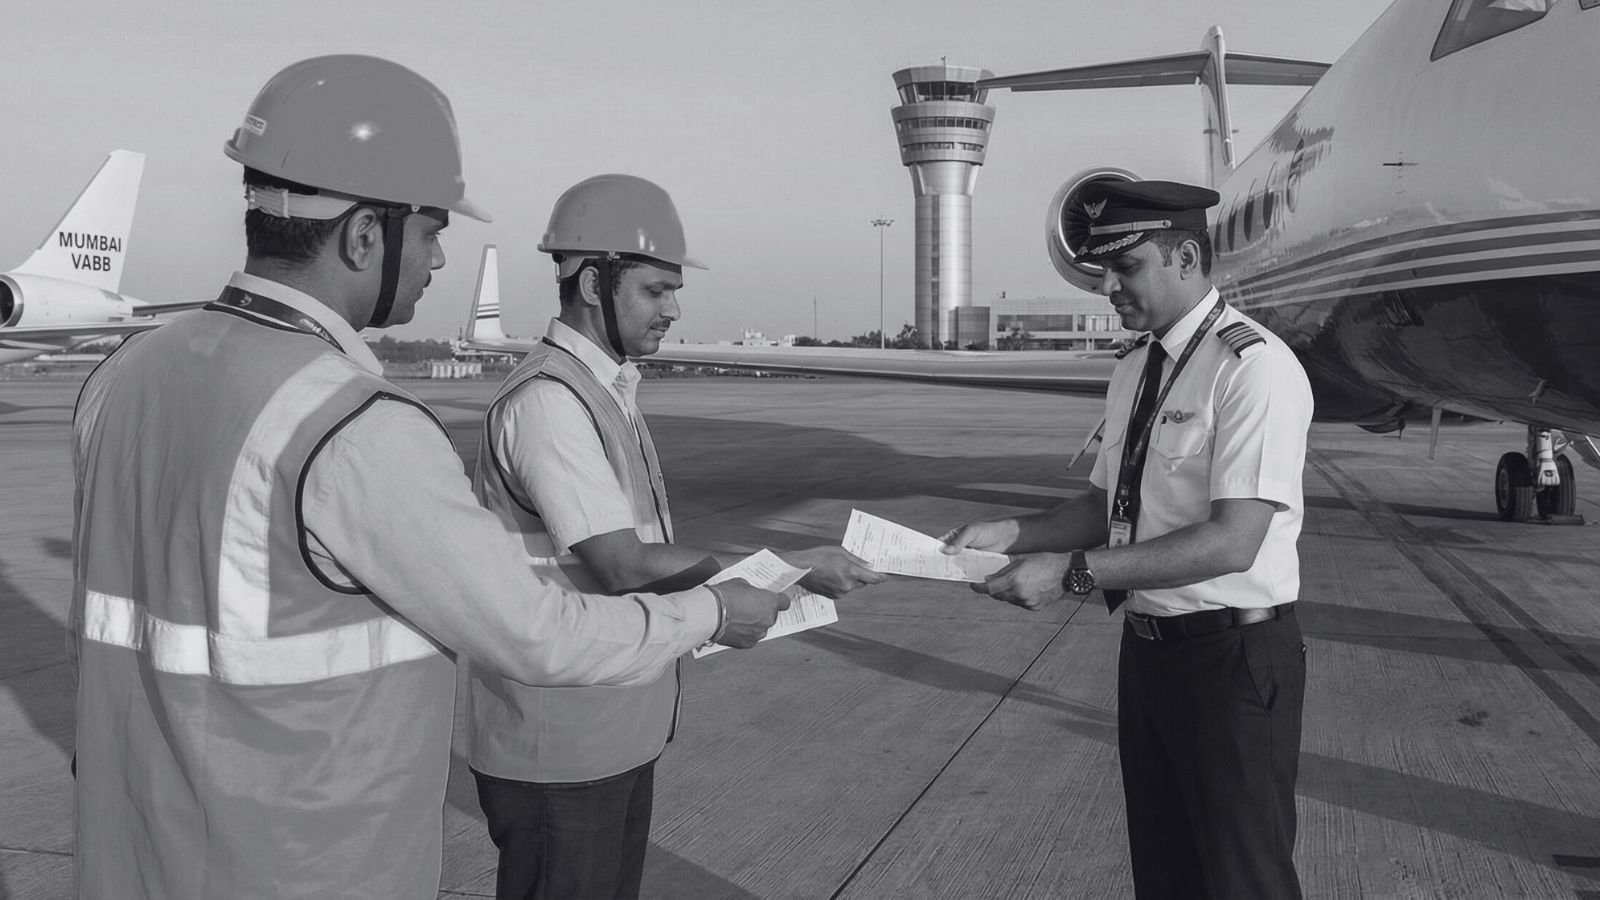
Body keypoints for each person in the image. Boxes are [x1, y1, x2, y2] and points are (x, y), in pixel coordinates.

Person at [67, 56, 787, 900]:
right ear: (363, 235)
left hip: (130, 857)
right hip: (304, 865)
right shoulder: (352, 423)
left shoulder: (121, 374)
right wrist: (714, 610)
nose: (438, 259)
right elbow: (535, 633)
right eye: (432, 231)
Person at [468, 173, 884, 900]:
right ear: (593, 284)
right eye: (657, 290)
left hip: (610, 725)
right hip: (559, 741)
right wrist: (780, 570)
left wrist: (783, 572)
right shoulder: (550, 402)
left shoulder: (606, 391)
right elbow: (622, 563)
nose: (674, 309)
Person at [942, 179, 1314, 899]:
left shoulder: (1253, 368)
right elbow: (1102, 505)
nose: (1107, 287)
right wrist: (1010, 533)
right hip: (1149, 655)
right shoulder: (1137, 367)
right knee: (1166, 875)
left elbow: (1233, 542)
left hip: (1232, 659)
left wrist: (1072, 574)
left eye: (1126, 267)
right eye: (1102, 269)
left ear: (1185, 258)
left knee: (1243, 880)